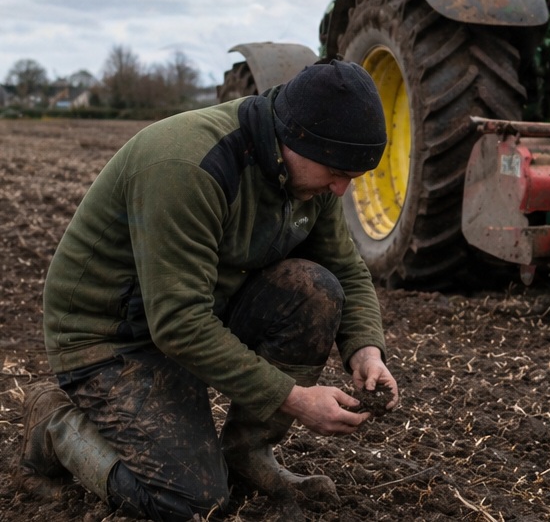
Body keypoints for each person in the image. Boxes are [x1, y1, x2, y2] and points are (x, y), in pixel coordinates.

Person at [14, 59, 400, 520]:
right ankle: (55, 424)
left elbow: (346, 269)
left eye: (351, 177)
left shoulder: (310, 175)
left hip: (197, 309)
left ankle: (247, 454)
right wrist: (294, 398)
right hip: (111, 335)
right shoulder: (189, 165)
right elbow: (178, 322)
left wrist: (366, 351)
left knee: (315, 290)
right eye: (336, 172)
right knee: (192, 501)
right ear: (293, 138)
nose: (340, 190)